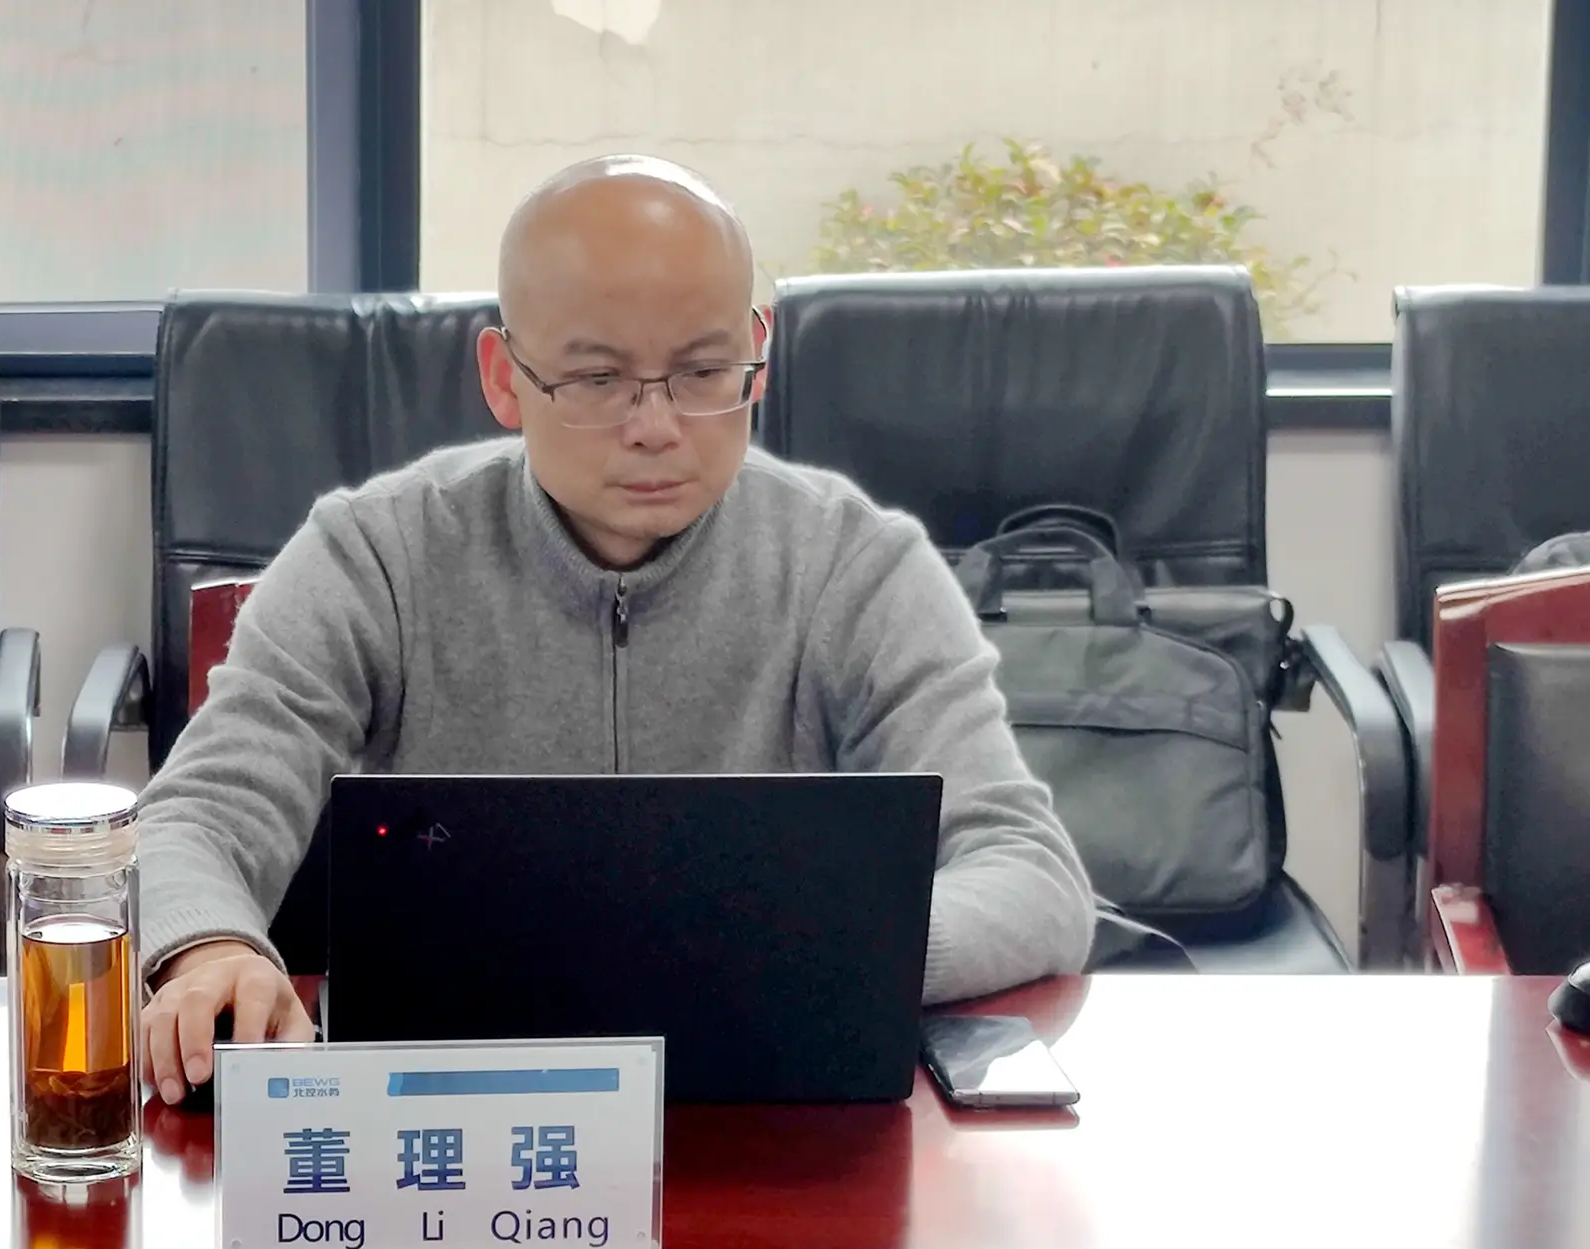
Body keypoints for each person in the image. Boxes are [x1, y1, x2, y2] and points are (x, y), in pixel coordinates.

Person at [135, 155, 1096, 1107]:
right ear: (505, 378)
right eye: (598, 378)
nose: (658, 426)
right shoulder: (375, 554)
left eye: (704, 371)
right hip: (456, 1118)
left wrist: (813, 952)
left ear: (758, 355)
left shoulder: (855, 564)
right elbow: (193, 819)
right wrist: (211, 947)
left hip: (772, 1105)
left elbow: (1029, 871)